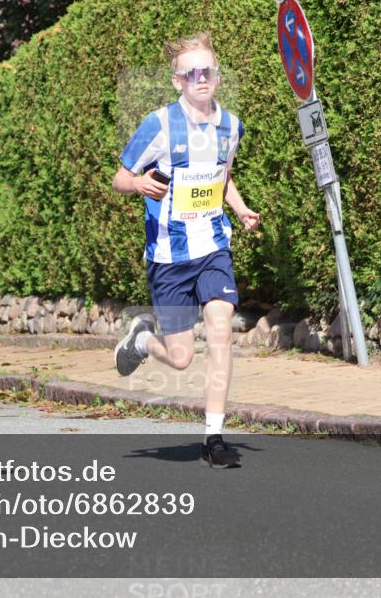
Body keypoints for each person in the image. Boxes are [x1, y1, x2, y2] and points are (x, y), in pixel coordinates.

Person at [112, 32, 260, 468]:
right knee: (180, 357)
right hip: (169, 257)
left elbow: (222, 177)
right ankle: (142, 342)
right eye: (191, 73)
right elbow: (120, 177)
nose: (201, 79)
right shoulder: (158, 124)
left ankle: (214, 437)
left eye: (208, 71)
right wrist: (139, 183)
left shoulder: (231, 126)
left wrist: (242, 208)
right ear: (178, 81)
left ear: (217, 77)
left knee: (220, 327)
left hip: (213, 244)